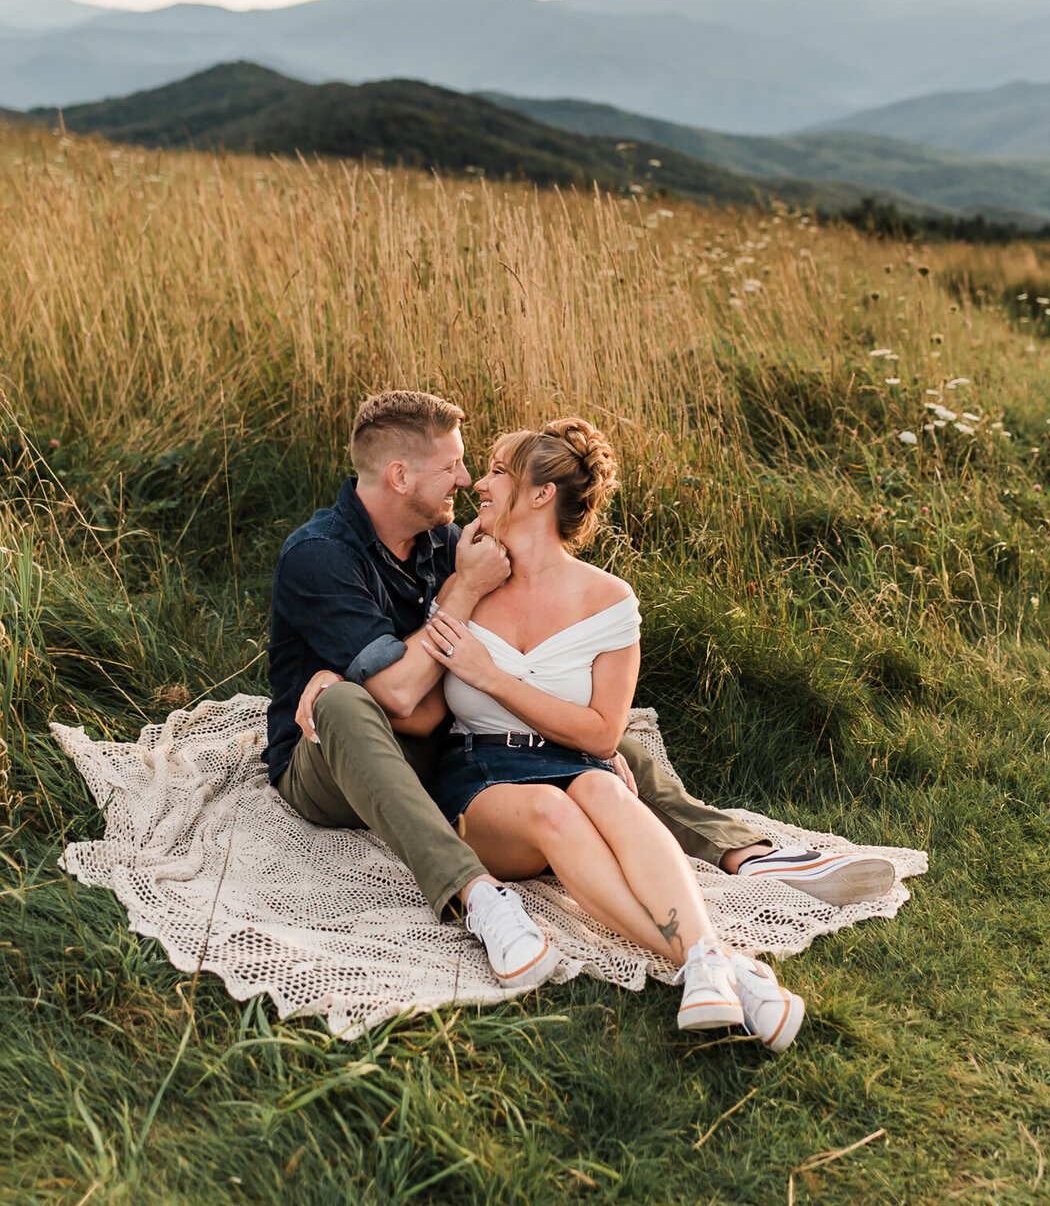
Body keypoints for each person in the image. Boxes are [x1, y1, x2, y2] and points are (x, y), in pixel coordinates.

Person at [264, 391, 893, 992]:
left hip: (423, 740)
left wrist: (573, 735)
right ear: (399, 476)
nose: (465, 479)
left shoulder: (449, 543)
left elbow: (431, 704)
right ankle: (475, 896)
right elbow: (401, 699)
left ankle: (744, 855)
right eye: (454, 464)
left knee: (599, 735)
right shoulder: (321, 555)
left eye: (473, 466)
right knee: (347, 701)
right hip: (331, 759)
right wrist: (368, 664)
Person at [418, 415, 807, 1046]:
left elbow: (602, 736)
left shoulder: (610, 600)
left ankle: (706, 961)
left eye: (495, 472)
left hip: (578, 763)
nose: (478, 486)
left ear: (541, 494)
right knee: (551, 807)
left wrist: (491, 677)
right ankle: (718, 964)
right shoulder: (464, 574)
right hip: (481, 776)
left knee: (604, 789)